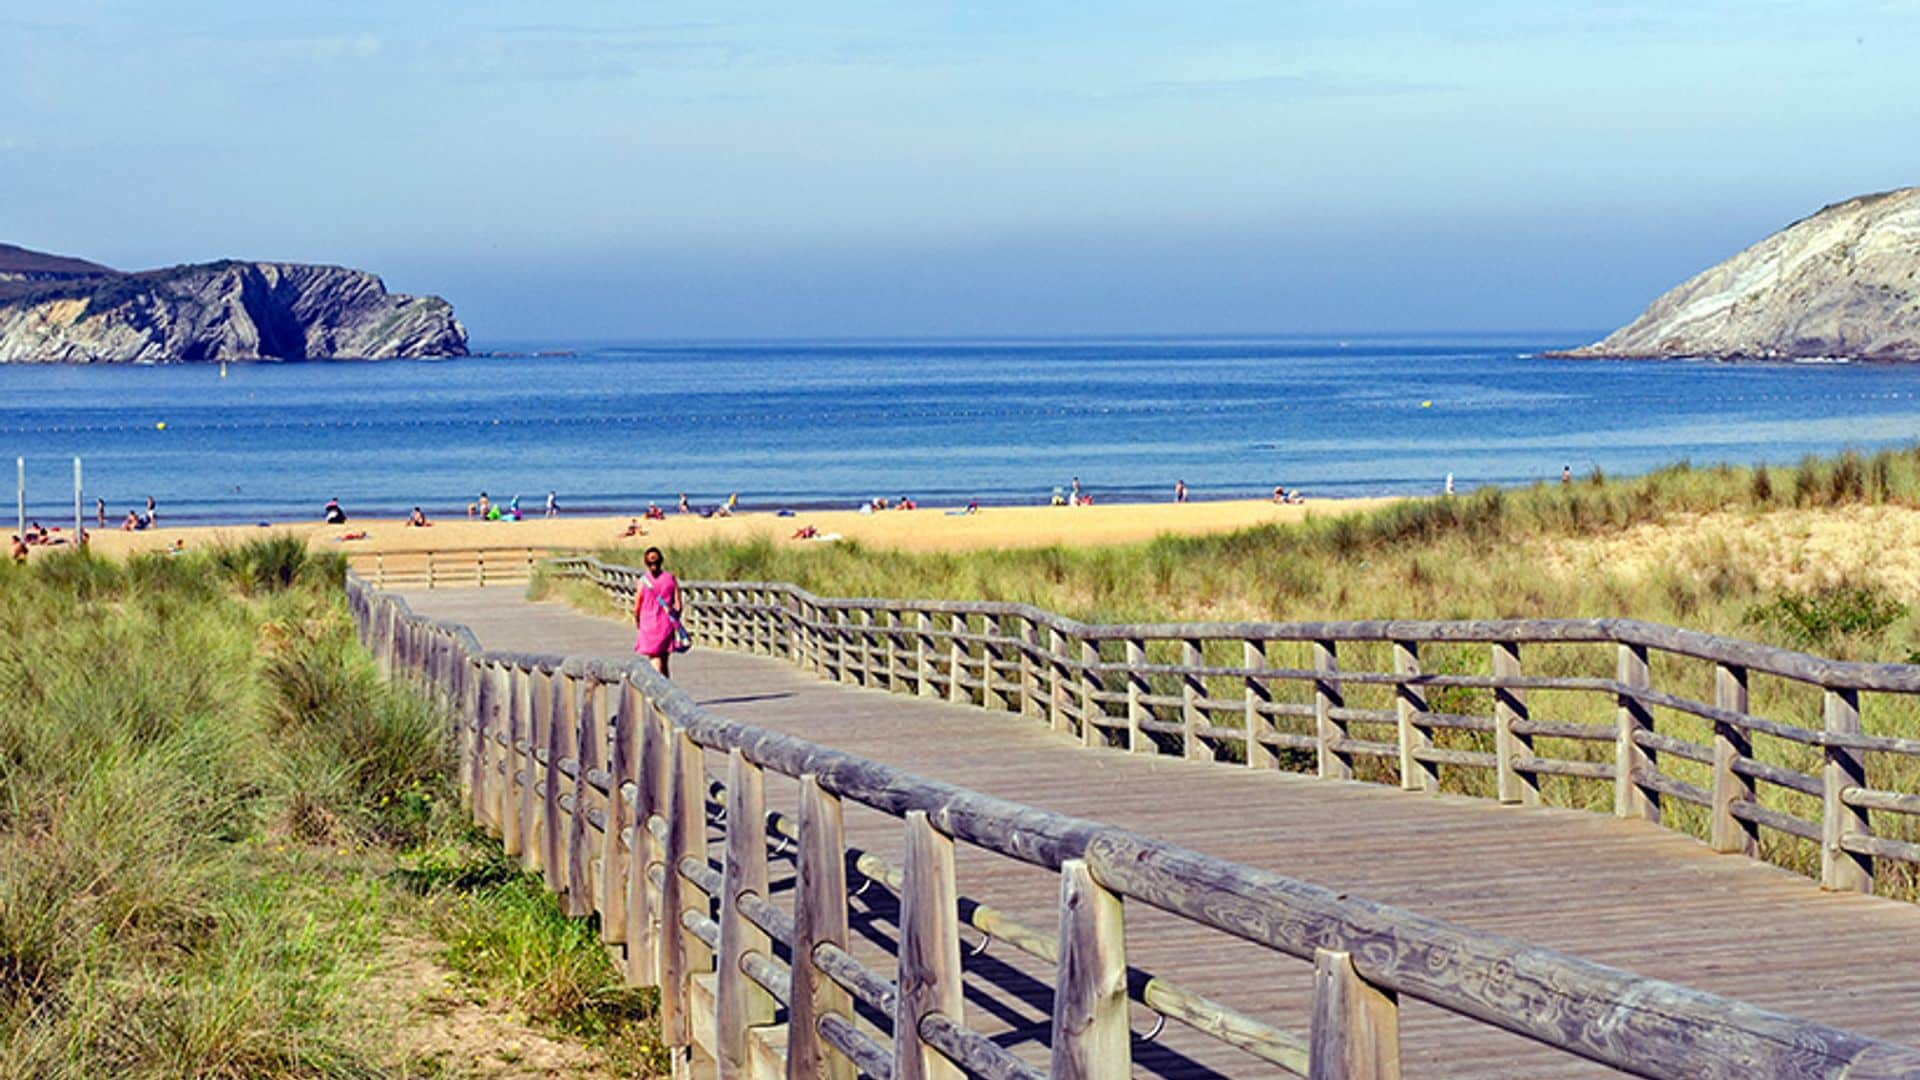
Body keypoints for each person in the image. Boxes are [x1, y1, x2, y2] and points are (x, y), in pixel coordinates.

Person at [632, 546, 683, 676]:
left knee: (655, 659)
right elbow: (678, 605)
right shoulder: (671, 578)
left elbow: (637, 606)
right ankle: (667, 690)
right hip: (666, 623)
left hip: (648, 624)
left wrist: (637, 621)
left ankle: (659, 691)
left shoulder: (643, 581)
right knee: (664, 661)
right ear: (662, 561)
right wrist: (676, 621)